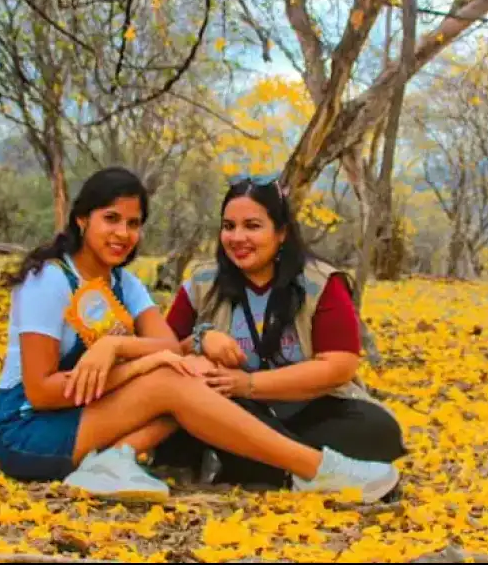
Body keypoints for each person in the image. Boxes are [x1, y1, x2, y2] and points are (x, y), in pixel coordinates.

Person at [0, 166, 401, 504]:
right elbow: (40, 394)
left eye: (133, 223)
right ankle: (316, 469)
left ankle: (115, 459)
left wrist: (118, 346)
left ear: (282, 232)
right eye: (110, 219)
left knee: (188, 370)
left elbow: (170, 346)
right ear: (80, 219)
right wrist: (153, 362)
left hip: (87, 414)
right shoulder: (48, 281)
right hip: (27, 428)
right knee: (178, 376)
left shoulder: (125, 285)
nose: (122, 233)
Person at [157, 172, 407, 489]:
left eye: (252, 226)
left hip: (307, 410)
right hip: (228, 410)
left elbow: (339, 366)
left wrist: (248, 383)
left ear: (282, 232)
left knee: (379, 430)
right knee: (193, 393)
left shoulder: (320, 282)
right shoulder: (202, 283)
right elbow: (160, 353)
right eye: (228, 226)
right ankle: (304, 470)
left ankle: (261, 467)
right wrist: (200, 339)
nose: (237, 238)